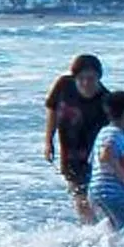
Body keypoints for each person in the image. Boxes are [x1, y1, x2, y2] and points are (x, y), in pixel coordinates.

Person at [43, 54, 112, 225]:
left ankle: (105, 229)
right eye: (81, 79)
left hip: (94, 154)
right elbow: (52, 109)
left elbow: (113, 135)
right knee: (79, 195)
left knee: (97, 196)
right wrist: (48, 141)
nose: (86, 83)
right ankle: (92, 231)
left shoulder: (106, 101)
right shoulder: (63, 85)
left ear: (99, 77)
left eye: (91, 78)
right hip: (70, 150)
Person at [91, 91, 124, 235]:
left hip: (96, 191)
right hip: (111, 193)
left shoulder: (104, 131)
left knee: (113, 229)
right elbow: (105, 155)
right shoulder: (115, 134)